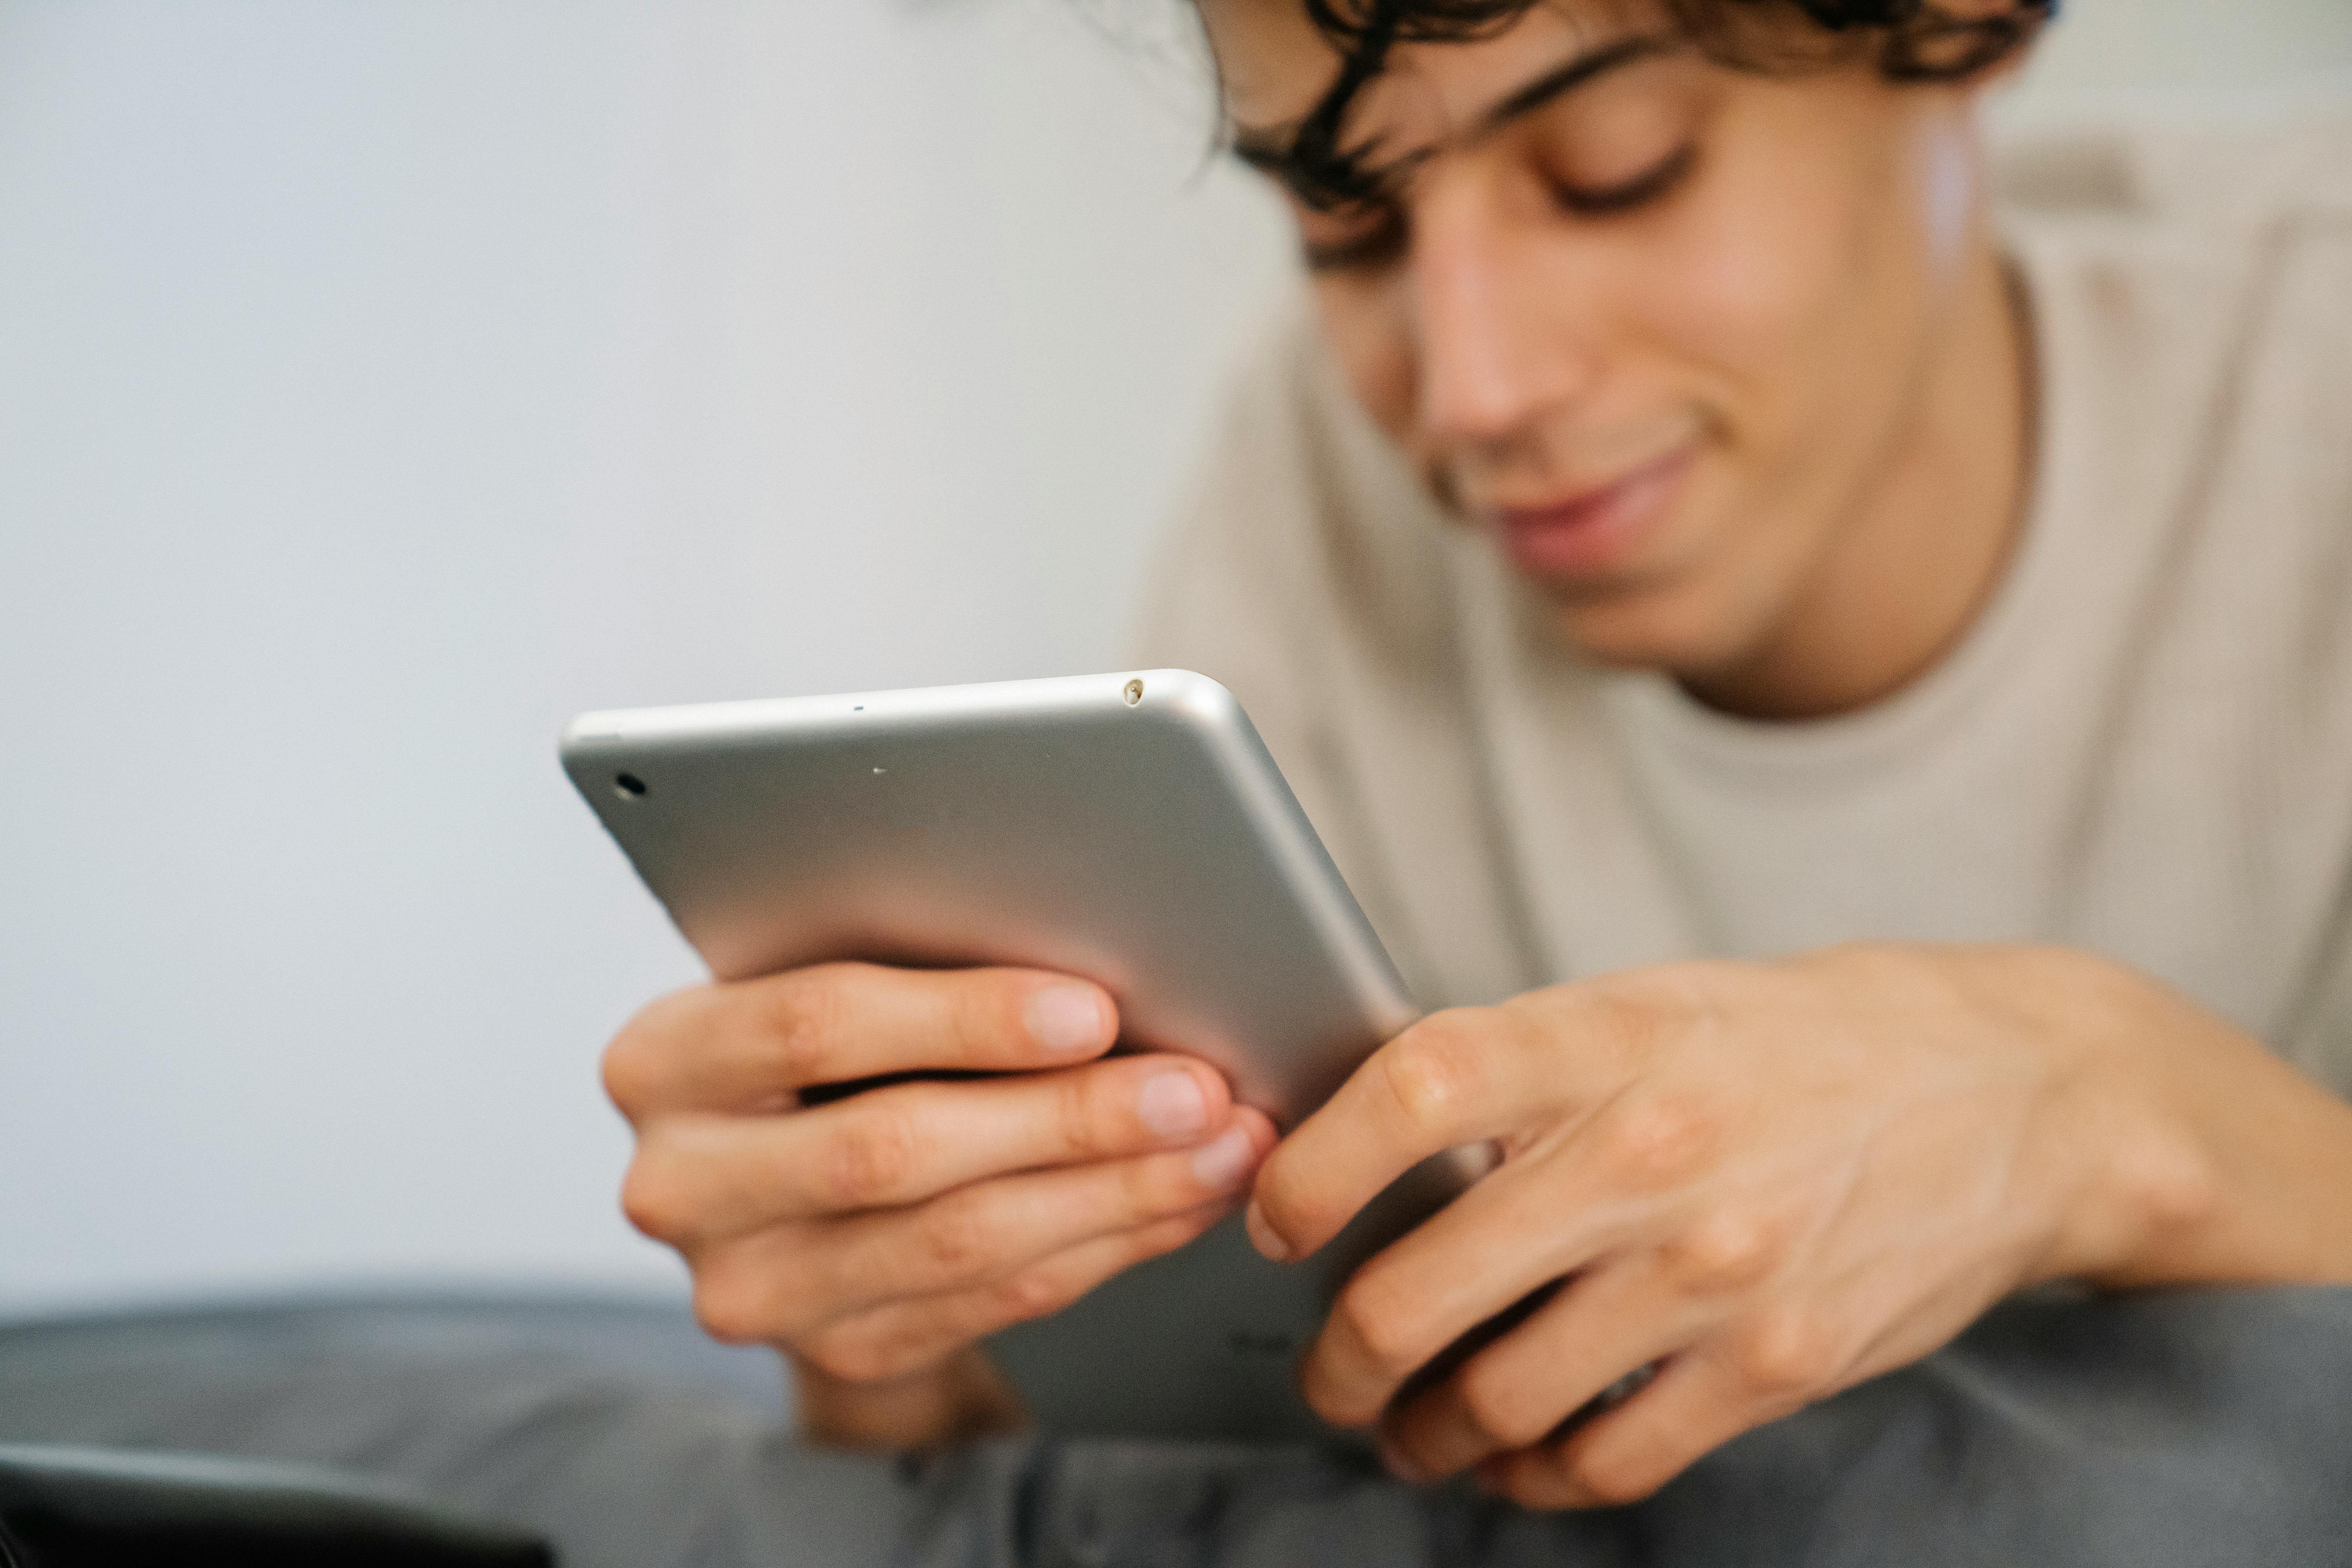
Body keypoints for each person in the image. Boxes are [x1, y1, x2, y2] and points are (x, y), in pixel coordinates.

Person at [6, 2, 2350, 1564]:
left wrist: (2094, 1098)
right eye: (1344, 218)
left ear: (1963, 41)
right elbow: (1144, 1418)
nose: (1472, 386)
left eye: (1616, 169)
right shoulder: (1313, 487)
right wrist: (900, 1315)